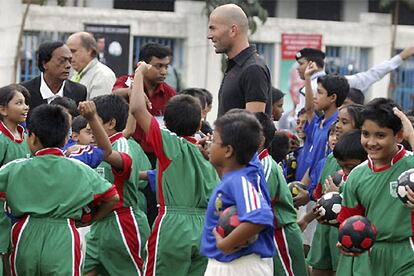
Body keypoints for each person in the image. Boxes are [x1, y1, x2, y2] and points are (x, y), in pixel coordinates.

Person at [0, 104, 118, 275]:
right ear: (65, 139)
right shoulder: (79, 168)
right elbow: (111, 197)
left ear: (31, 138)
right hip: (64, 233)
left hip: (26, 232)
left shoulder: (16, 168)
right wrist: (90, 220)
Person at [129, 62, 219, 276]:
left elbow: (137, 109)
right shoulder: (211, 151)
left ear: (166, 124)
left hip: (174, 223)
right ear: (199, 125)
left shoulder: (170, 144)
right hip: (206, 226)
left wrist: (139, 73)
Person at [336, 98, 414, 275]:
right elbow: (348, 219)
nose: (371, 142)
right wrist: (346, 239)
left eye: (380, 135)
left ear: (399, 135)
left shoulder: (411, 165)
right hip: (369, 253)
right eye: (365, 134)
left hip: (407, 252)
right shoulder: (357, 175)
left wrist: (412, 135)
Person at [82, 96, 151, 275]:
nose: (89, 126)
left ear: (111, 123)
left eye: (94, 119)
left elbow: (122, 162)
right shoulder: (93, 148)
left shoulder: (121, 145)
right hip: (99, 223)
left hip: (122, 222)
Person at [200, 110, 275, 275]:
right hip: (225, 264)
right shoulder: (232, 178)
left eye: (214, 141)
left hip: (239, 265)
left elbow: (261, 215)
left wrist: (226, 244)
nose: (209, 144)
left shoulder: (240, 179)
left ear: (228, 150)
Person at [254, 112, 307, 276]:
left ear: (260, 140)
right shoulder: (253, 164)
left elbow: (260, 204)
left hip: (280, 233)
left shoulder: (265, 165)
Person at [295, 46, 414, 113]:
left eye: (301, 63)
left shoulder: (337, 82)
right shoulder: (309, 85)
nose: (297, 68)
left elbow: (372, 74)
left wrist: (400, 57)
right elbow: (372, 74)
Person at [208, 4, 272, 117]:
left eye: (213, 28)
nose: (209, 35)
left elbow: (253, 127)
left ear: (233, 30)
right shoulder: (236, 66)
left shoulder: (253, 69)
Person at [0, 84, 31, 274]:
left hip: (22, 207)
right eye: (19, 103)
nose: (26, 107)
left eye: (26, 103)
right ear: (3, 110)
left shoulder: (26, 135)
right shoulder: (1, 138)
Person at [20, 41, 87, 109]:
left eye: (70, 61)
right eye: (62, 61)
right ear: (45, 64)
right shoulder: (24, 91)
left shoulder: (79, 91)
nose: (68, 66)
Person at [66, 32, 115, 99]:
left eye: (73, 51)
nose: (69, 56)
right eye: (68, 52)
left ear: (89, 50)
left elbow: (100, 108)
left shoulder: (102, 76)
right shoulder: (76, 74)